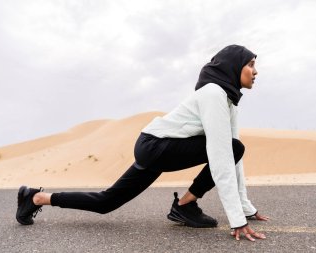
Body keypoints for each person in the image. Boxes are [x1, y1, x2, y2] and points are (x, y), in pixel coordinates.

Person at [16, 44, 269, 241]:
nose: (256, 71)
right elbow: (222, 157)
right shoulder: (213, 93)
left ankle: (37, 198)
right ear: (233, 66)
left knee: (107, 202)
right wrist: (237, 220)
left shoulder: (228, 101)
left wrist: (245, 208)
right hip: (156, 146)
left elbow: (232, 158)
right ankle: (185, 204)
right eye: (250, 64)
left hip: (156, 146)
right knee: (231, 149)